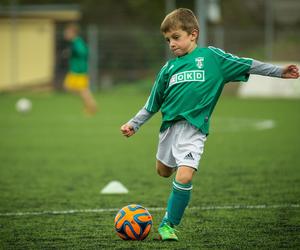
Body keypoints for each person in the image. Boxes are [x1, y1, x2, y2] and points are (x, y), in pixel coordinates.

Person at [120, 8, 299, 241]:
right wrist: (134, 124)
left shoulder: (212, 58)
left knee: (184, 176)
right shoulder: (168, 69)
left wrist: (279, 71)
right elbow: (152, 104)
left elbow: (247, 64)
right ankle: (175, 170)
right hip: (169, 130)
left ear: (193, 34)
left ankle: (168, 224)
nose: (171, 44)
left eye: (176, 37)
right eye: (167, 40)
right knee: (163, 171)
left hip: (194, 130)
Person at [63, 23, 97, 115]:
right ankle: (89, 104)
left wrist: (73, 53)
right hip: (75, 70)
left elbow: (83, 52)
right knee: (69, 87)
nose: (65, 34)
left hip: (79, 71)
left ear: (73, 33)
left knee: (83, 90)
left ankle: (92, 106)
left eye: (67, 32)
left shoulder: (77, 42)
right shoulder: (75, 42)